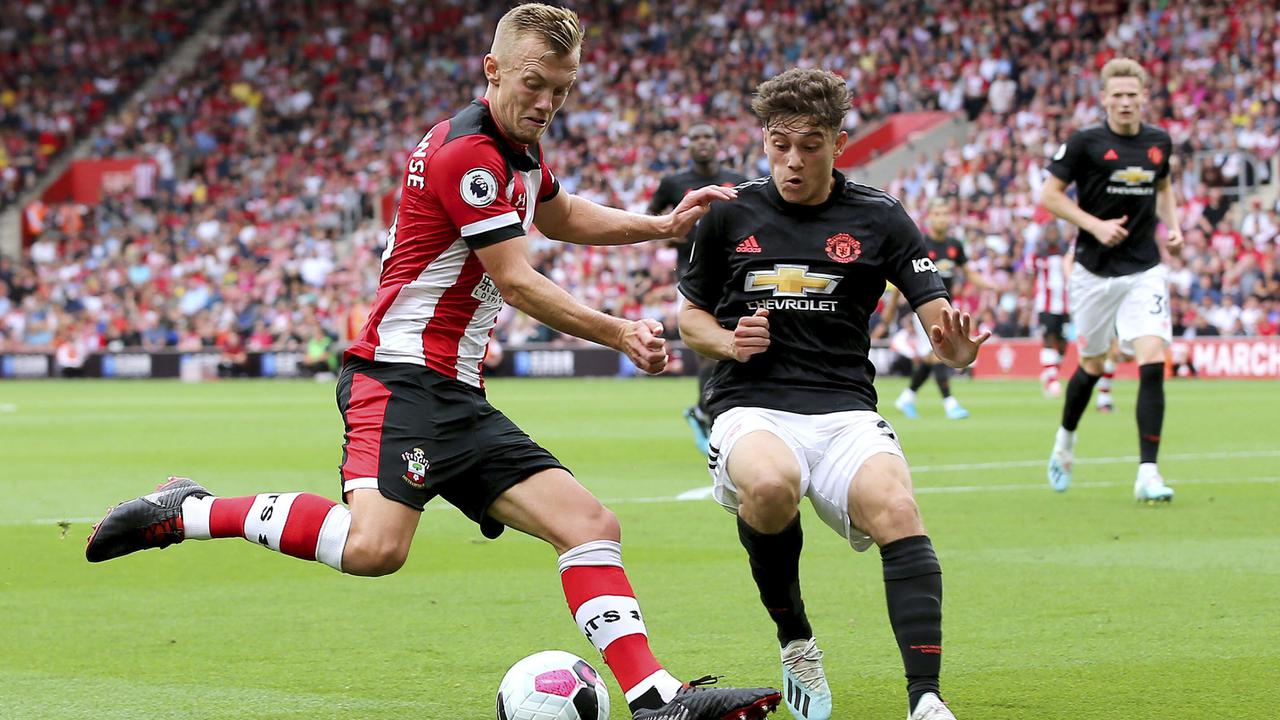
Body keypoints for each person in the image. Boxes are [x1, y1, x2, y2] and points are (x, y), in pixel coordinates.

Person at [85, 6, 779, 720]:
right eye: (535, 84)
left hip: (456, 392)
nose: (548, 103)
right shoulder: (467, 154)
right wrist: (620, 332)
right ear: (492, 71)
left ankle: (654, 697)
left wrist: (659, 225)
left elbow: (560, 213)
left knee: (589, 524)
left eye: (562, 90)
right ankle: (189, 510)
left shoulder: (517, 147)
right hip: (398, 378)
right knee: (374, 549)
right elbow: (516, 280)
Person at [678, 67, 988, 720]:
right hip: (751, 405)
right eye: (779, 144)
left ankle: (926, 699)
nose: (792, 160)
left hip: (845, 410)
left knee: (898, 509)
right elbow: (689, 319)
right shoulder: (730, 213)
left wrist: (957, 351)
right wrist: (729, 342)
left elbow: (940, 324)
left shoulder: (880, 217)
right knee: (770, 485)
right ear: (765, 140)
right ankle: (796, 640)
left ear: (839, 143)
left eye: (809, 145)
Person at [1041, 57, 1182, 502]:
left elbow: (1164, 188)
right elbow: (1049, 196)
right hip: (1094, 271)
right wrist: (1094, 226)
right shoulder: (1084, 143)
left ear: (1144, 97)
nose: (1124, 102)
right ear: (1103, 98)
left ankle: (1148, 473)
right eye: (1117, 95)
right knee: (1092, 364)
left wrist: (1173, 227)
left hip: (1144, 268)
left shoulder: (1159, 141)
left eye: (1131, 95)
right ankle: (1065, 440)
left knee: (1152, 358)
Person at [648, 124, 747, 455]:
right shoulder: (673, 183)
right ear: (688, 146)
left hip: (735, 274)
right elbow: (651, 215)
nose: (702, 143)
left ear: (718, 144)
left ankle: (710, 411)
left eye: (708, 137)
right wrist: (668, 231)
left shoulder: (737, 179)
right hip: (694, 276)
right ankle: (712, 416)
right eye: (696, 138)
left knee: (733, 346)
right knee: (707, 351)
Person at [881, 198, 994, 420]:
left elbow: (968, 273)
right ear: (929, 217)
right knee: (937, 355)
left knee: (931, 357)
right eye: (938, 214)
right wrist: (891, 308)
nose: (942, 218)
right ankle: (950, 403)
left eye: (945, 213)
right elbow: (901, 279)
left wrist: (990, 285)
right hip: (924, 308)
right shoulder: (920, 243)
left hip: (946, 309)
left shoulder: (954, 245)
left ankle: (906, 397)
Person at [1032, 222, 1071, 398]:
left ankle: (1051, 371)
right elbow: (1032, 276)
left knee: (1063, 343)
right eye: (1050, 232)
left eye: (1055, 232)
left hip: (1065, 304)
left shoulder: (1067, 253)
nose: (1052, 235)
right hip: (1045, 305)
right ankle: (1052, 381)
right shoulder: (1038, 255)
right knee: (1048, 338)